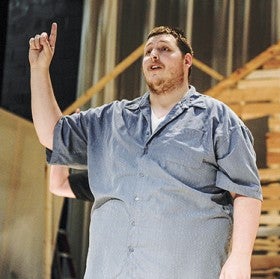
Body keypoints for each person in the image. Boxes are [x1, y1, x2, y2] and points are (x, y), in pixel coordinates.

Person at [29, 22, 263, 278]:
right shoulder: (111, 119)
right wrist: (39, 70)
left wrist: (240, 257)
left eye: (164, 49)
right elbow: (52, 135)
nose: (153, 54)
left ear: (187, 61)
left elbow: (245, 191)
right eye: (148, 50)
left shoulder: (217, 120)